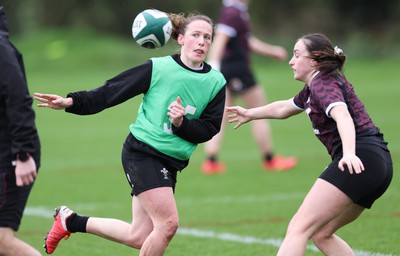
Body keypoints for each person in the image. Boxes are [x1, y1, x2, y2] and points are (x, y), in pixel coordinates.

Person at [34, 11, 226, 256]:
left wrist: (181, 123)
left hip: (172, 160)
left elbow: (209, 129)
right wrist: (72, 101)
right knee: (167, 225)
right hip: (143, 152)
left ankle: (70, 221)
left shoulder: (216, 82)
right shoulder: (158, 68)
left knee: (140, 235)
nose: (201, 42)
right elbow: (110, 91)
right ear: (180, 39)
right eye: (195, 35)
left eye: (207, 38)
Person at [226, 33, 393, 255]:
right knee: (321, 233)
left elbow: (342, 116)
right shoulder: (315, 86)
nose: (291, 61)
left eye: (297, 55)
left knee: (298, 228)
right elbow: (284, 107)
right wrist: (250, 113)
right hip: (378, 164)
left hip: (357, 159)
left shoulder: (323, 84)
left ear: (314, 61)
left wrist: (350, 154)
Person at [202, 0, 297, 174]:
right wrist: (213, 67)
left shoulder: (235, 11)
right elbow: (221, 39)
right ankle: (270, 159)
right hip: (237, 69)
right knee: (260, 110)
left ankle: (211, 161)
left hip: (229, 69)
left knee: (222, 113)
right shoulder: (233, 12)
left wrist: (272, 51)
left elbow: (246, 41)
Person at [0, 5, 42, 256]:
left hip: (11, 156)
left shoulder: (1, 50)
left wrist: (23, 154)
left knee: (2, 240)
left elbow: (19, 100)